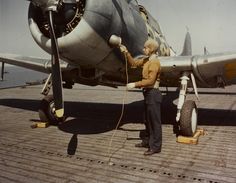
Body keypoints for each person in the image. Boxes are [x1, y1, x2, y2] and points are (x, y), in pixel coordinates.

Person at [120, 39, 162, 156]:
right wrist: (126, 52)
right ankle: (147, 141)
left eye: (145, 48)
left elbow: (150, 81)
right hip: (148, 93)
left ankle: (156, 147)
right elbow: (133, 63)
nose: (143, 49)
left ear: (151, 49)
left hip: (153, 93)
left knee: (154, 122)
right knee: (147, 120)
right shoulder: (147, 60)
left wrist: (134, 84)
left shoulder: (154, 62)